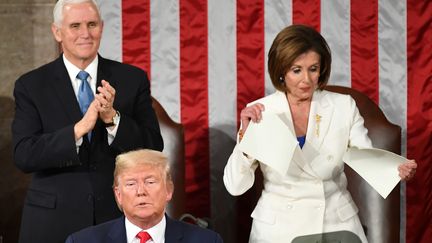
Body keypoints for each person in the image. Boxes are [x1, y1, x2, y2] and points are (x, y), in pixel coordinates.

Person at [223, 24, 417, 243]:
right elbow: (235, 186)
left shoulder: (343, 106)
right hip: (279, 230)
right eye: (297, 70)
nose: (306, 79)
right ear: (281, 71)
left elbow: (365, 156)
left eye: (313, 69)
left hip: (336, 224)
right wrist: (245, 143)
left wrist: (394, 169)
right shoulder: (260, 111)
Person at [11, 0, 163, 242]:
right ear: (57, 32)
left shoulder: (132, 79)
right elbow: (24, 155)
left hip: (115, 218)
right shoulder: (31, 85)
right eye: (75, 26)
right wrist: (78, 130)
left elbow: (153, 146)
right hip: (52, 221)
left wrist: (113, 119)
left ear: (101, 27)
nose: (85, 34)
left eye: (92, 24)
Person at [65, 149, 224, 243]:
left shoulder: (207, 241)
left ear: (168, 190)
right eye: (131, 184)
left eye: (150, 182)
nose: (141, 191)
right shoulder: (82, 241)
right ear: (118, 195)